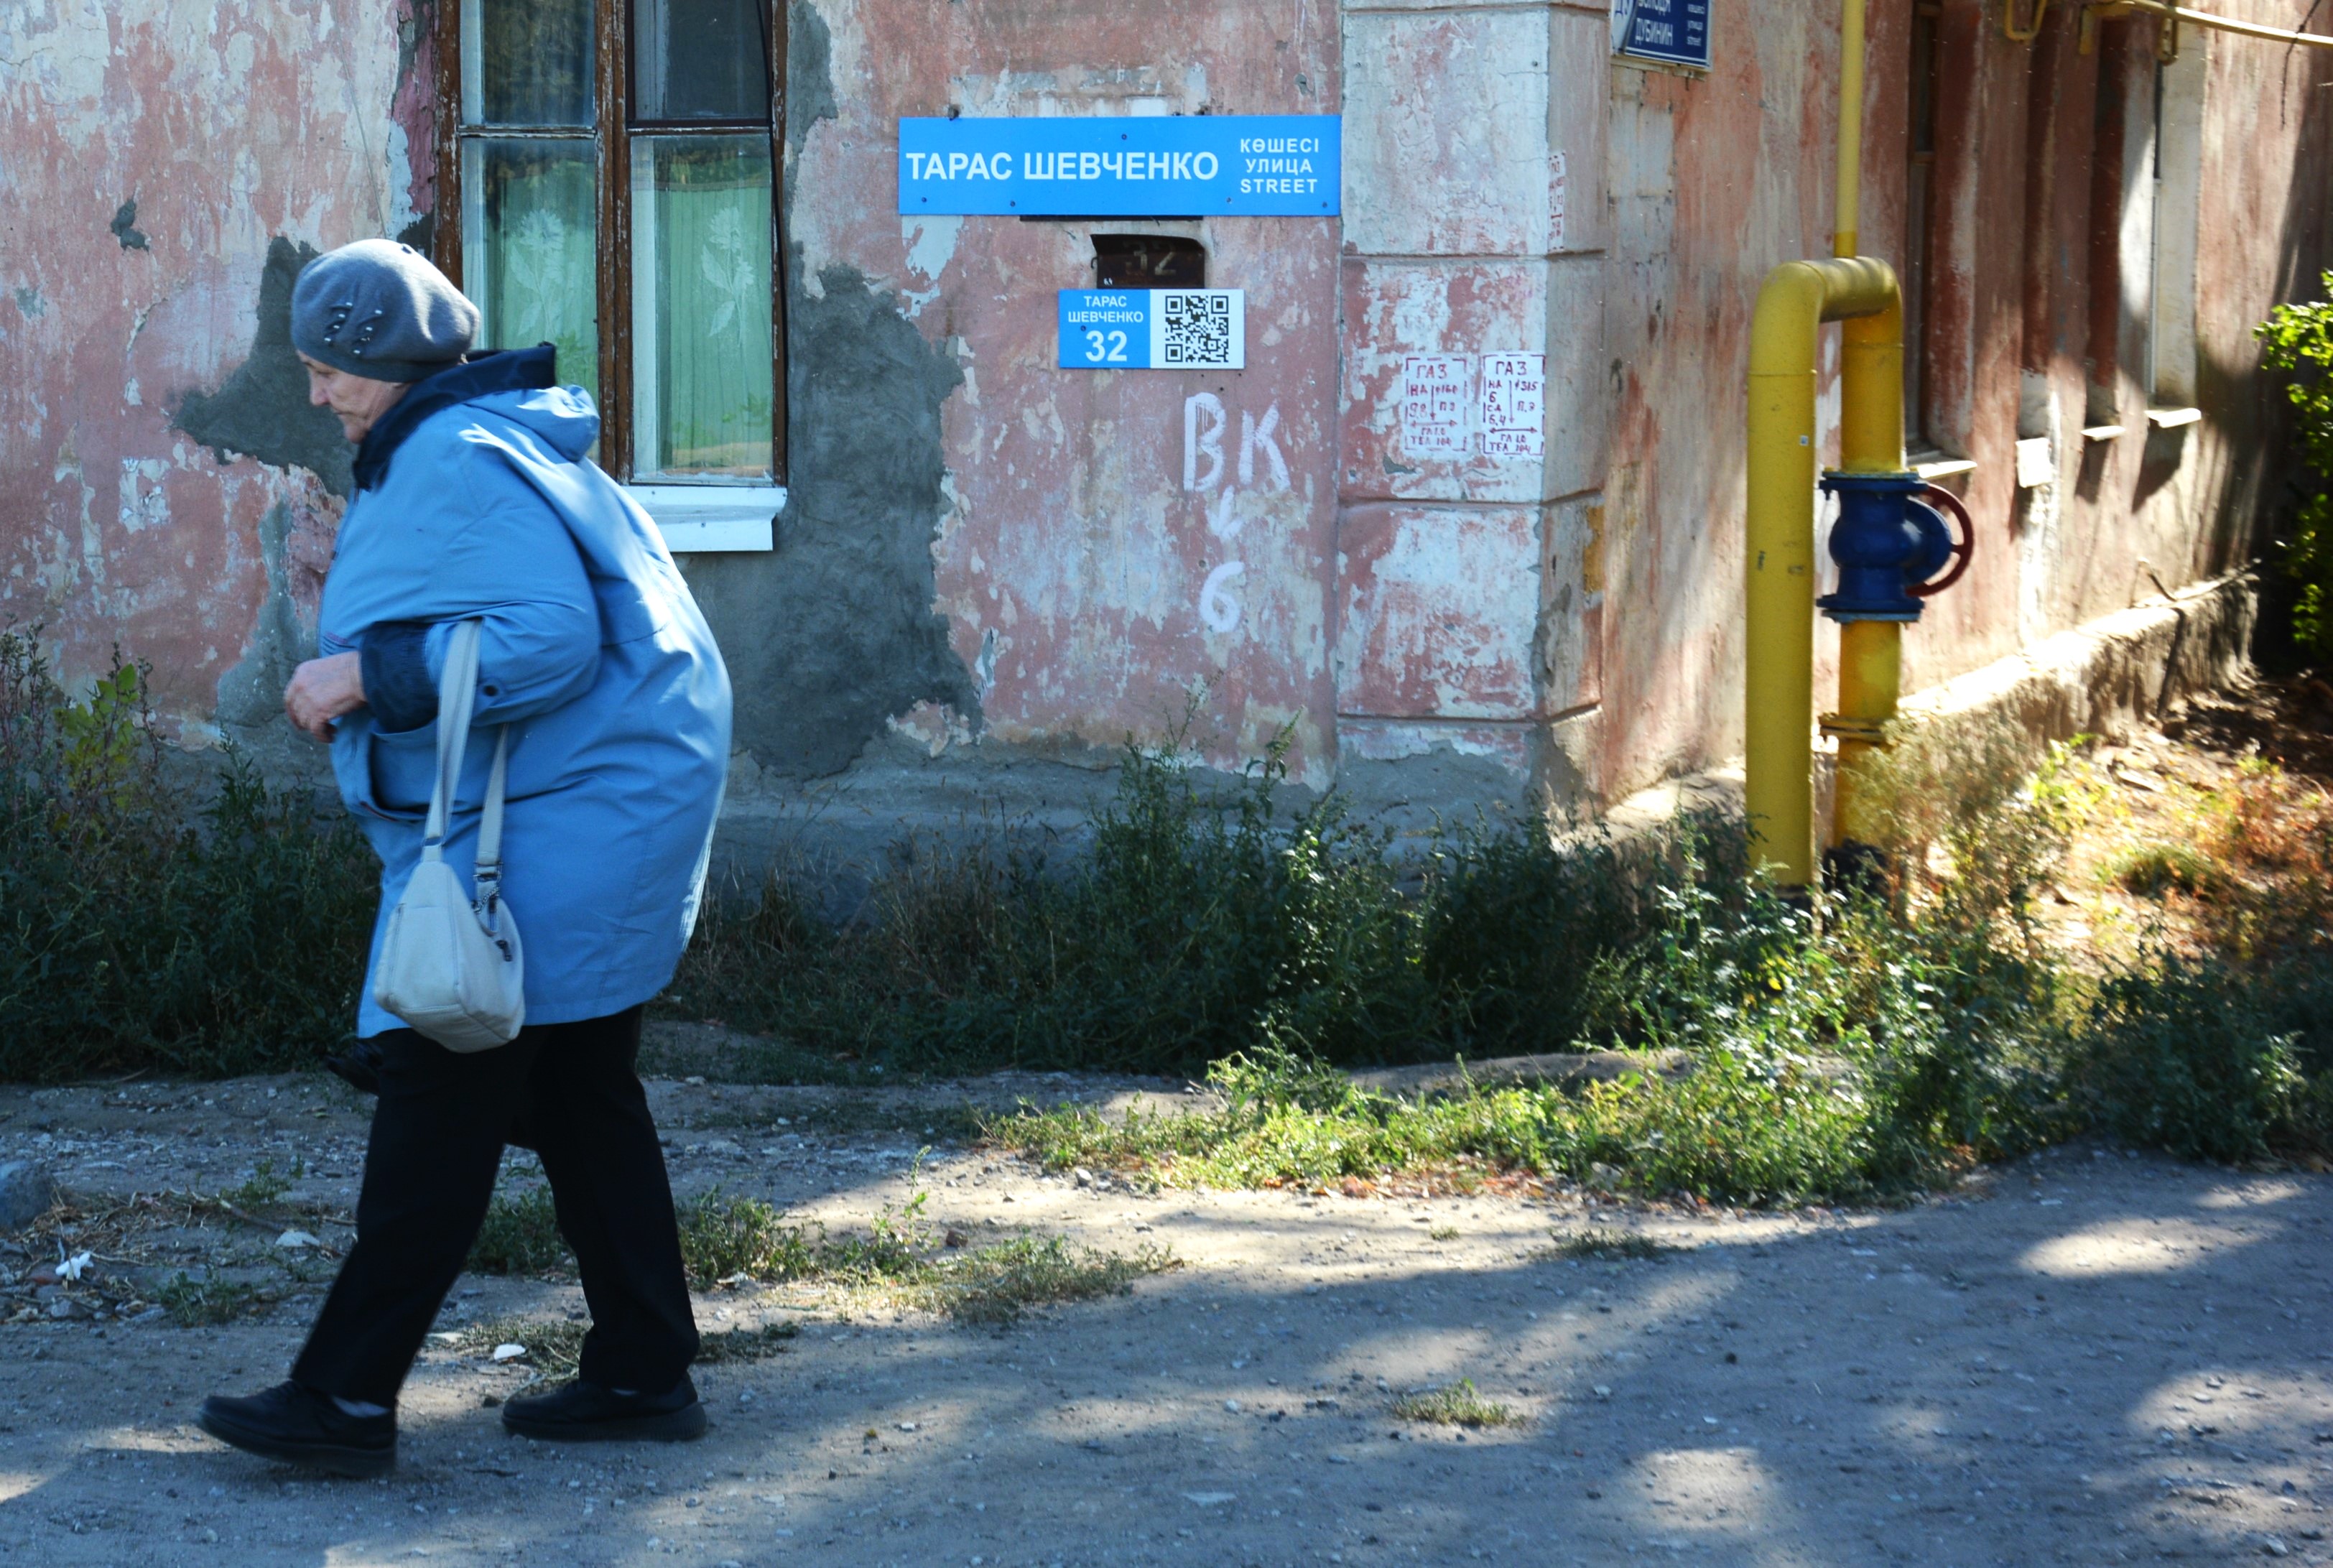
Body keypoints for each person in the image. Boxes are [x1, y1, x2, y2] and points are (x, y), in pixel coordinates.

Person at [195, 239, 733, 1478]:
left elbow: (547, 639)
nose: (319, 392)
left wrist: (365, 675)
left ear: (386, 361)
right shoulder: (484, 432)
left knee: (445, 1083)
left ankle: (339, 1400)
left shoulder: (449, 455)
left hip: (569, 817)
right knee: (579, 1091)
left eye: (333, 369)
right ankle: (646, 1370)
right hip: (604, 798)